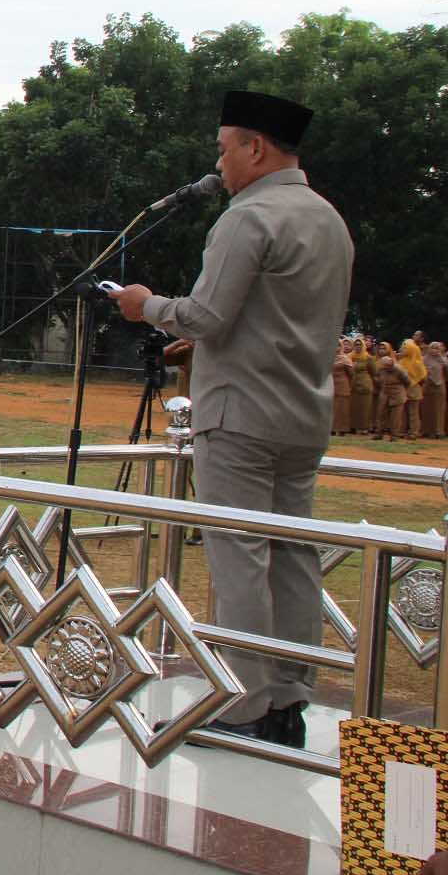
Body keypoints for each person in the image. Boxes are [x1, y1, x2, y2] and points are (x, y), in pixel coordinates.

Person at [110, 90, 351, 747]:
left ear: (255, 147)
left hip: (240, 415)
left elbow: (208, 315)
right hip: (303, 412)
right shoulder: (327, 219)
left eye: (224, 148)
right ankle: (289, 695)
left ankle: (244, 704)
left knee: (240, 554)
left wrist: (147, 305)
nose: (219, 163)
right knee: (291, 553)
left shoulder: (249, 217)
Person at [349, 338, 375, 435]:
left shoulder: (368, 358)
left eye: (360, 344)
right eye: (356, 344)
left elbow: (374, 372)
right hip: (353, 385)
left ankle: (365, 428)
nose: (358, 346)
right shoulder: (349, 357)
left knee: (365, 408)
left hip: (365, 385)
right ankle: (353, 427)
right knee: (354, 407)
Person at [330, 339, 354, 437]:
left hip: (343, 385)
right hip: (331, 384)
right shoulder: (329, 357)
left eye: (338, 345)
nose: (336, 348)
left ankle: (342, 429)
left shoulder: (345, 359)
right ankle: (331, 428)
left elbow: (351, 374)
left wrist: (349, 385)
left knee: (342, 408)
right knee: (332, 408)